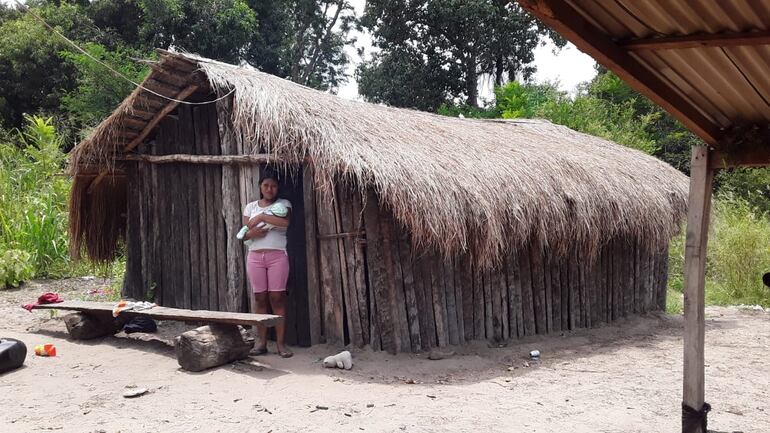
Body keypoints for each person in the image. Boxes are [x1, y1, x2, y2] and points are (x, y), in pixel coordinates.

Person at [242, 173, 293, 358]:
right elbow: (244, 233)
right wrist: (253, 232)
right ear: (260, 187)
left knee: (277, 298)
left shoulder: (284, 205)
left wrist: (262, 216)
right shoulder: (250, 206)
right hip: (255, 257)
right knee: (260, 299)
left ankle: (280, 345)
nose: (269, 189)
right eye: (266, 185)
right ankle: (262, 343)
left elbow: (284, 222)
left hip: (277, 256)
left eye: (273, 186)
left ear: (277, 188)